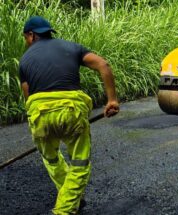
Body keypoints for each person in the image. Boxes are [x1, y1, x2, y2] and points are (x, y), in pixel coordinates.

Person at [19, 16, 119, 214]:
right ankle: (65, 208)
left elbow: (28, 96)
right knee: (79, 163)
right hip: (72, 111)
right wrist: (112, 100)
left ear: (31, 35)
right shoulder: (71, 47)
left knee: (51, 159)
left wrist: (38, 127)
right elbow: (103, 65)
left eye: (25, 37)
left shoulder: (25, 60)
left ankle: (71, 196)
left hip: (40, 114)